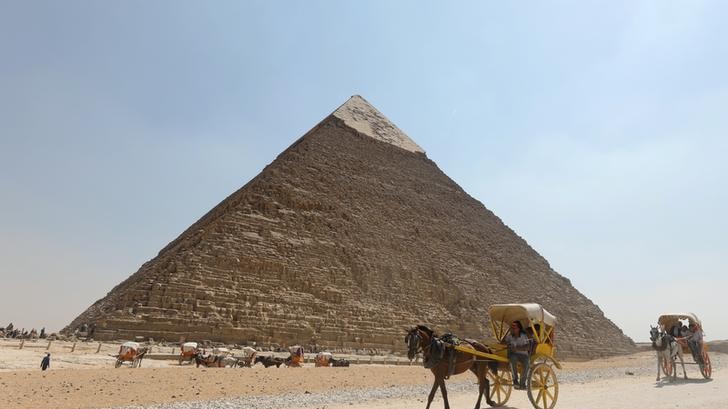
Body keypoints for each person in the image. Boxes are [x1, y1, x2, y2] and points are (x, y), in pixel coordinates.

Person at [504, 320, 530, 389]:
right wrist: (507, 344)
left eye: (514, 327)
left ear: (518, 328)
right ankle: (515, 380)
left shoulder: (523, 336)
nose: (512, 328)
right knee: (512, 360)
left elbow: (527, 347)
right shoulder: (510, 337)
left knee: (527, 364)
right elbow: (503, 342)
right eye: (512, 327)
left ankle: (522, 383)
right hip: (514, 354)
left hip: (523, 355)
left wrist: (517, 348)